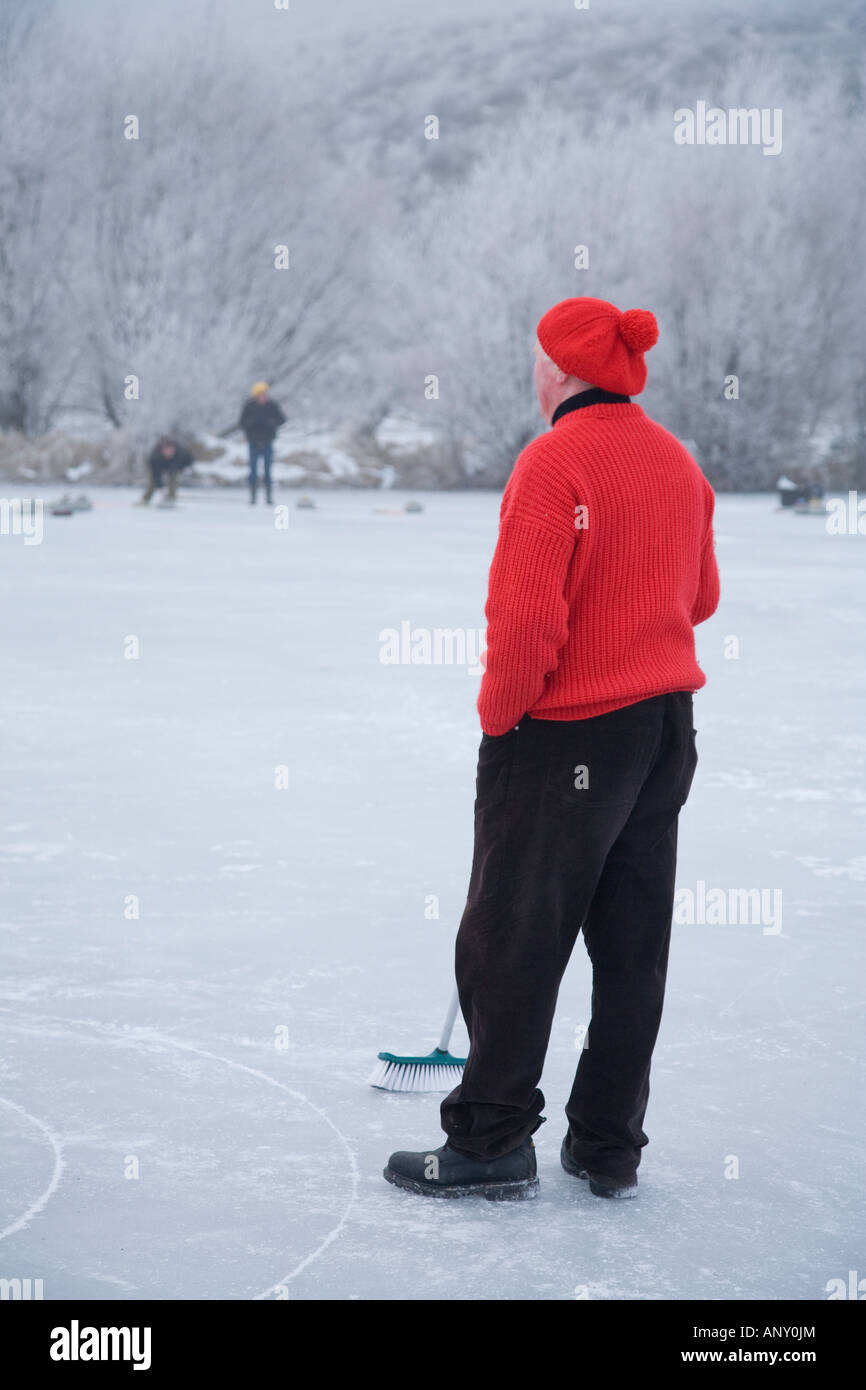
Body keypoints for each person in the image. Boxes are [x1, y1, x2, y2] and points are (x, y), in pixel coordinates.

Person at [384, 296, 720, 1202]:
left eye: (537, 358)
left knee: (513, 939)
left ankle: (490, 1139)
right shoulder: (677, 461)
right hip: (663, 730)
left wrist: (502, 718)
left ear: (559, 371)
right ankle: (608, 1146)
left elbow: (528, 621)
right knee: (631, 945)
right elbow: (701, 599)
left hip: (565, 732)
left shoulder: (553, 462)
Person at [239, 382, 285, 504]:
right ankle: (253, 497)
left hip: (268, 442)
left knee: (267, 470)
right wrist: (253, 423)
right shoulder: (249, 406)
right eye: (260, 394)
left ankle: (268, 498)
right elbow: (242, 422)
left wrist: (271, 423)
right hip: (253, 442)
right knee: (253, 470)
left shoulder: (272, 406)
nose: (263, 397)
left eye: (264, 394)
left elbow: (282, 419)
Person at [139, 436, 193, 505]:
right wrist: (161, 487)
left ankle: (171, 499)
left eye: (171, 451)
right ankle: (146, 499)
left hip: (175, 466)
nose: (169, 453)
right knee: (152, 481)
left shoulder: (181, 453)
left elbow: (189, 461)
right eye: (167, 451)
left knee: (173, 478)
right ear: (162, 449)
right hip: (159, 466)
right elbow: (156, 474)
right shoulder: (155, 456)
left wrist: (184, 469)